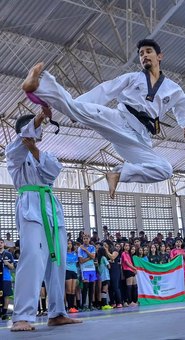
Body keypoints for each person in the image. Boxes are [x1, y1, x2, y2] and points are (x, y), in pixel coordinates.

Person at [22, 39, 185, 199]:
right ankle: (39, 84)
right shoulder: (132, 78)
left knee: (165, 170)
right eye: (141, 54)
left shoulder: (174, 89)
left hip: (140, 137)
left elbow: (184, 107)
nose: (144, 56)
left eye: (148, 51)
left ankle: (118, 174)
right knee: (76, 108)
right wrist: (75, 111)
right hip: (119, 119)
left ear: (159, 56)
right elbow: (106, 90)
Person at [5, 110, 81, 331]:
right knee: (32, 257)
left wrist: (35, 149)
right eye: (35, 128)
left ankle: (57, 312)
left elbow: (53, 172)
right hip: (30, 205)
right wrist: (38, 118)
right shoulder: (13, 152)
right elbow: (22, 146)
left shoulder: (45, 155)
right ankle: (22, 316)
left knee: (57, 260)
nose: (38, 133)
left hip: (50, 206)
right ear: (24, 132)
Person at [0, 238, 15, 320]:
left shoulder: (8, 254)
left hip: (6, 278)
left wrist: (7, 263)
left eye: (1, 242)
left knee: (6, 295)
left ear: (4, 244)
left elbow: (12, 267)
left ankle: (4, 312)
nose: (0, 244)